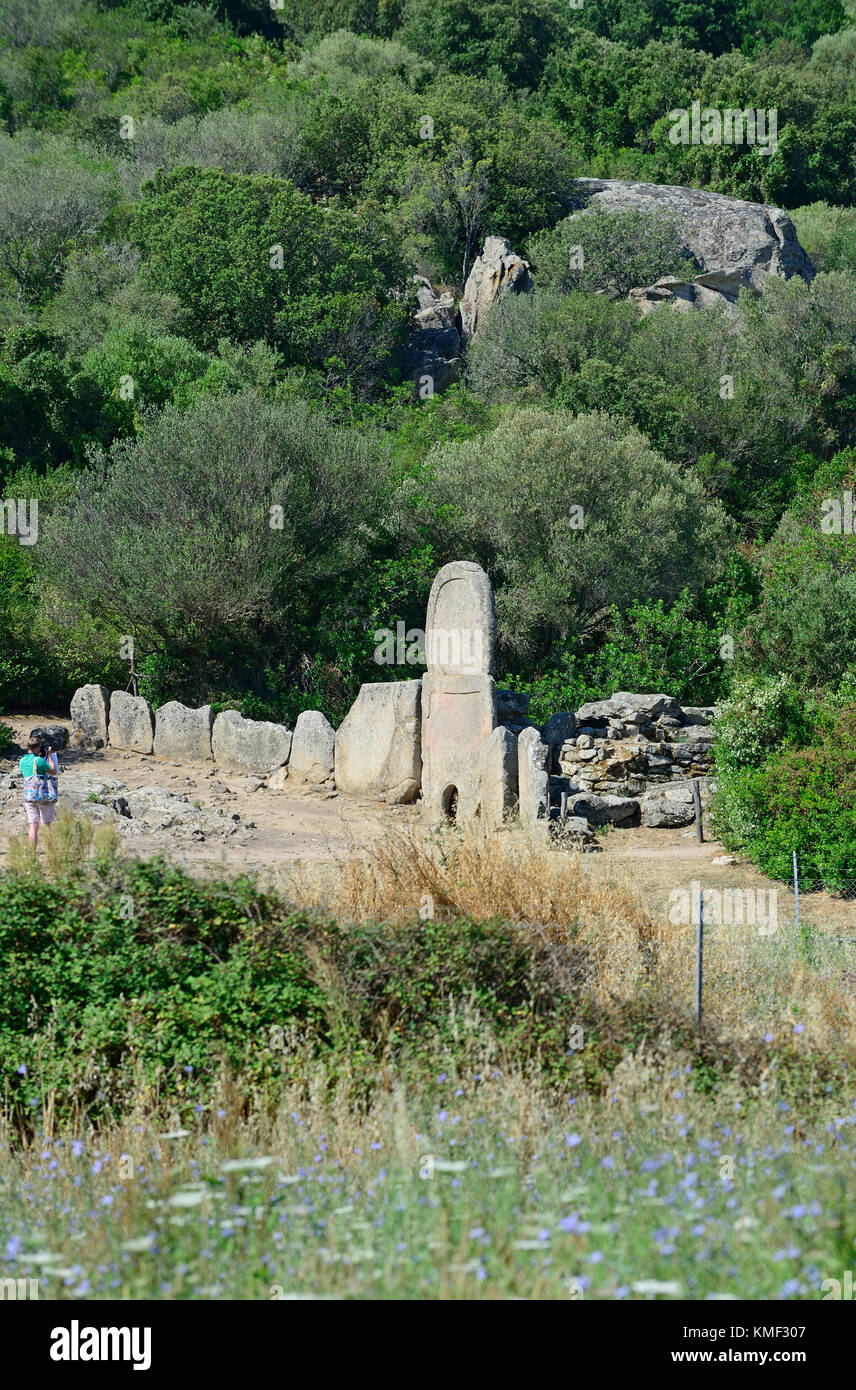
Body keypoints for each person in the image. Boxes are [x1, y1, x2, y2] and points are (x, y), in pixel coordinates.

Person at [19, 737, 60, 848]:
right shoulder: (39, 760)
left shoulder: (22, 761)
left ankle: (31, 855)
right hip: (43, 796)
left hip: (29, 797)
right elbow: (53, 770)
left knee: (33, 826)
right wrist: (49, 754)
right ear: (38, 747)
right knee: (47, 826)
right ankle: (49, 856)